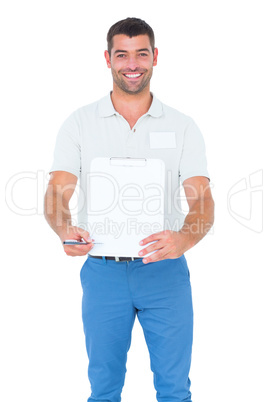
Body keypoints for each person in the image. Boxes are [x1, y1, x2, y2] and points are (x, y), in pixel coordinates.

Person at [44, 17, 214, 402]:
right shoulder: (80, 123)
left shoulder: (183, 126)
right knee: (103, 390)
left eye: (141, 54)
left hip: (165, 269)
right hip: (102, 271)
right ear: (108, 59)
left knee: (174, 389)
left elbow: (201, 199)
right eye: (122, 54)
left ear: (155, 57)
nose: (132, 63)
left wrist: (184, 238)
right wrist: (64, 228)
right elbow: (57, 192)